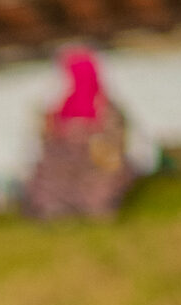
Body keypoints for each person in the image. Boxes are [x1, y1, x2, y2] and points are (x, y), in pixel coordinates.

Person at [26, 50, 136, 222]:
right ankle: (56, 211)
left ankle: (95, 209)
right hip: (63, 158)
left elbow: (116, 137)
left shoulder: (105, 106)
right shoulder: (60, 106)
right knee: (51, 177)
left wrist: (100, 145)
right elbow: (47, 137)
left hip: (95, 158)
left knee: (101, 179)